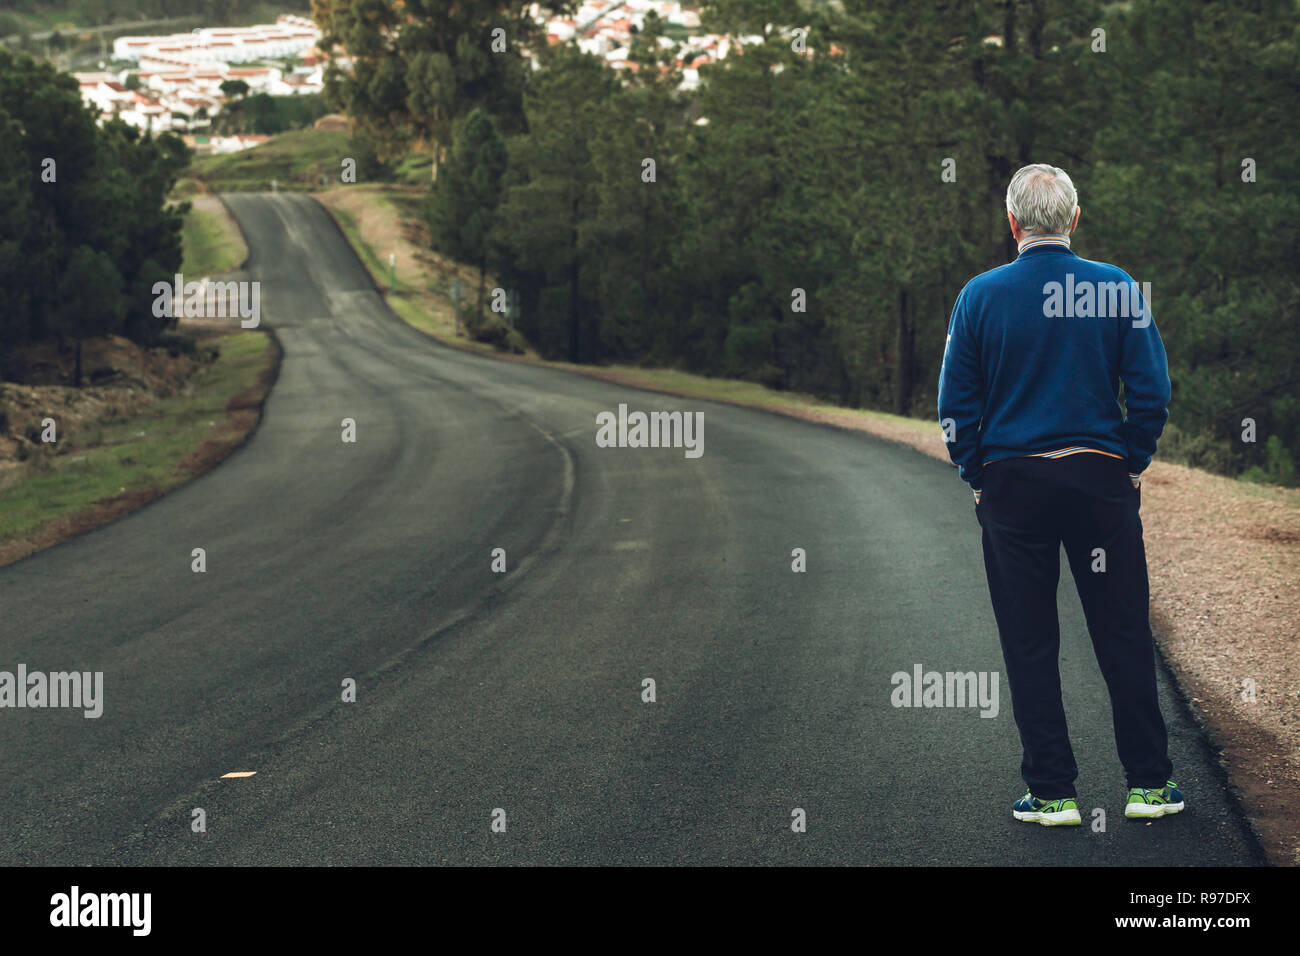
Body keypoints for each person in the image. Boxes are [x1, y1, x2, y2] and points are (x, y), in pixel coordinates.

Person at [938, 163, 1183, 826]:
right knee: (1122, 629)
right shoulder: (1115, 288)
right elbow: (1152, 391)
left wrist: (976, 474)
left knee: (1030, 638)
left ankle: (1052, 793)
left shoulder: (979, 295)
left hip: (1015, 485)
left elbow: (955, 405)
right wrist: (1131, 459)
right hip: (1099, 479)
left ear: (1013, 223)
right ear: (1073, 219)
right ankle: (1150, 788)